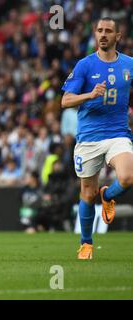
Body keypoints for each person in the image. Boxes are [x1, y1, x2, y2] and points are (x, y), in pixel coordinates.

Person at [61, 17, 133, 260]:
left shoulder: (129, 64)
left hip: (118, 134)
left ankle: (109, 196)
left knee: (127, 177)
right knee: (87, 194)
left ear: (118, 37)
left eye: (108, 31)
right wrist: (90, 94)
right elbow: (65, 101)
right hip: (89, 137)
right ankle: (86, 243)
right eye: (100, 30)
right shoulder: (84, 65)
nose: (103, 34)